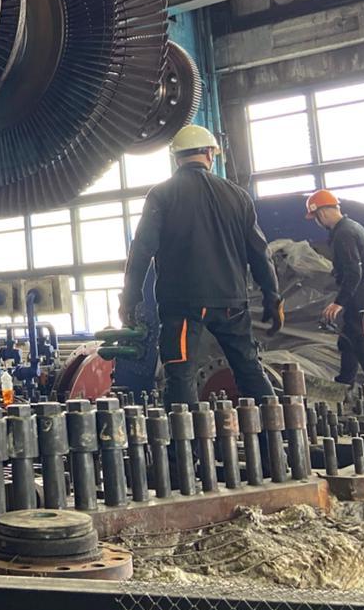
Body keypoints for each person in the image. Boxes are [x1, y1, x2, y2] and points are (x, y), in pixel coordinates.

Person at [120, 124, 284, 408]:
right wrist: (273, 297)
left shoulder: (162, 195)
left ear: (176, 158)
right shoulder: (238, 196)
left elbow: (141, 251)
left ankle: (185, 438)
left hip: (183, 305)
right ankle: (278, 431)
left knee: (180, 375)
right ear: (210, 154)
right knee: (249, 368)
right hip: (232, 303)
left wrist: (130, 298)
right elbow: (259, 252)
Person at [306, 189, 364, 410]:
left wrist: (339, 302)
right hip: (359, 293)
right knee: (348, 342)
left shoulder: (344, 233)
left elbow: (354, 272)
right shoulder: (352, 227)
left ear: (322, 213)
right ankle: (344, 389)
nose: (317, 222)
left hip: (359, 295)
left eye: (315, 217)